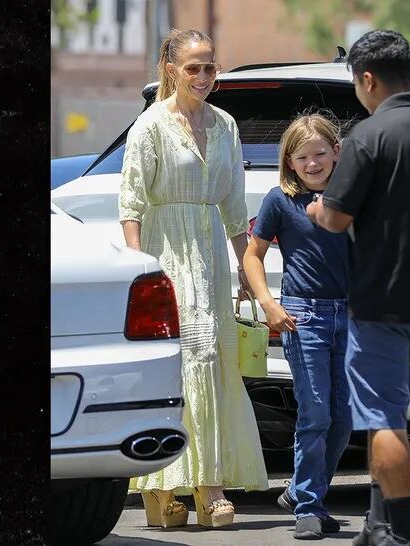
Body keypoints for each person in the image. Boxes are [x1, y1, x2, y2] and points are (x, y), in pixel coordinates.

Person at [118, 28, 268, 529]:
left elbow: (233, 208)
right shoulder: (151, 126)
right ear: (170, 69)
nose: (204, 76)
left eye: (210, 67)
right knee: (177, 364)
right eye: (193, 67)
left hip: (210, 253)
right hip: (166, 255)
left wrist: (248, 270)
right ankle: (164, 487)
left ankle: (209, 485)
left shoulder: (225, 125)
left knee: (215, 361)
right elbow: (132, 204)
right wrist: (139, 273)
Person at [306, 30, 410, 546]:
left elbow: (334, 218)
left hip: (379, 303)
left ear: (366, 79)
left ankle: (403, 534)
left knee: (383, 421)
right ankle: (376, 525)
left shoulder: (369, 135)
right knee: (396, 413)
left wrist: (316, 208)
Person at [243, 113, 352, 540]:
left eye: (320, 154)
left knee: (343, 418)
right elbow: (253, 256)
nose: (312, 163)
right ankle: (309, 505)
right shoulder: (279, 199)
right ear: (289, 161)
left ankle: (299, 489)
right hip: (303, 316)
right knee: (316, 413)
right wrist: (268, 303)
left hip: (353, 316)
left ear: (336, 153)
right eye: (301, 157)